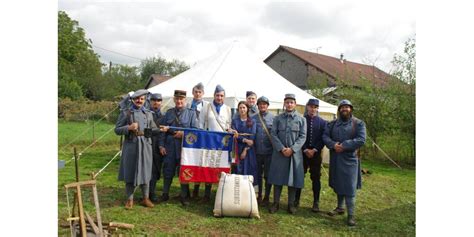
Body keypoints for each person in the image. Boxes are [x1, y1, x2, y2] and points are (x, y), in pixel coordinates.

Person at [322, 99, 366, 226]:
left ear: (351, 109)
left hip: (350, 160)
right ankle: (340, 207)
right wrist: (333, 145)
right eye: (342, 107)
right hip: (335, 159)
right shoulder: (332, 124)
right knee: (337, 184)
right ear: (339, 109)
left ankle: (351, 216)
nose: (344, 109)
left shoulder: (358, 123)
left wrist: (344, 145)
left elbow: (361, 139)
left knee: (350, 188)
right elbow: (325, 136)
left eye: (347, 107)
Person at [114, 89, 160, 209]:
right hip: (131, 145)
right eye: (137, 99)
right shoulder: (126, 113)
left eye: (142, 99)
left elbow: (153, 130)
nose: (139, 101)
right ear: (133, 100)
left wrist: (161, 129)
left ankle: (145, 198)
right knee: (130, 171)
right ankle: (130, 200)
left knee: (146, 171)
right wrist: (128, 127)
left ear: (145, 100)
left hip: (146, 145)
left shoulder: (149, 114)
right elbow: (117, 130)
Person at [157, 90, 198, 206]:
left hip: (184, 147)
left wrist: (183, 134)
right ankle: (165, 194)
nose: (179, 101)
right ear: (174, 100)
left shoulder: (191, 113)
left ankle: (184, 196)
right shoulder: (169, 113)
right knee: (167, 170)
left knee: (183, 170)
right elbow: (162, 131)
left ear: (185, 100)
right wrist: (161, 145)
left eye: (181, 99)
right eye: (177, 99)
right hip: (169, 145)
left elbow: (195, 131)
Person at [267, 94, 306, 214]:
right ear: (284, 104)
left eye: (291, 102)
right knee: (277, 179)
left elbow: (302, 136)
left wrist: (292, 149)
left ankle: (291, 204)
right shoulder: (277, 118)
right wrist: (282, 148)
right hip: (279, 154)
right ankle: (276, 203)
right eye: (287, 102)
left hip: (294, 155)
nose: (289, 104)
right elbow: (273, 134)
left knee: (292, 180)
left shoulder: (301, 119)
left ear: (295, 104)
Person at [198, 84, 232, 202]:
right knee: (209, 165)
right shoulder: (207, 107)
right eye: (217, 95)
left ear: (224, 96)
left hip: (223, 144)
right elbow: (201, 124)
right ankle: (207, 194)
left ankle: (220, 192)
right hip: (209, 142)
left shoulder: (227, 109)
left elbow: (229, 126)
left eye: (221, 95)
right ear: (214, 95)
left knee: (221, 166)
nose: (219, 98)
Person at [294, 99, 327, 212]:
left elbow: (323, 138)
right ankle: (296, 200)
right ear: (307, 107)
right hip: (302, 153)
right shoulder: (301, 120)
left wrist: (315, 149)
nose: (313, 109)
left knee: (316, 178)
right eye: (311, 107)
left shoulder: (322, 122)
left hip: (316, 154)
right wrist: (304, 149)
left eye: (315, 107)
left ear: (317, 108)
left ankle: (316, 202)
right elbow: (298, 136)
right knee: (299, 176)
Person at [187, 82, 210, 199]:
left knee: (204, 162)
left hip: (202, 136)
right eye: (196, 92)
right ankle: (194, 189)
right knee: (194, 162)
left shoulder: (208, 105)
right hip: (190, 137)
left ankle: (205, 191)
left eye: (200, 92)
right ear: (193, 93)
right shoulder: (188, 104)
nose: (197, 94)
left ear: (203, 93)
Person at [252, 96, 274, 206]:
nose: (262, 106)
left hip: (269, 152)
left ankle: (267, 196)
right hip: (256, 152)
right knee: (258, 174)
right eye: (260, 104)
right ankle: (259, 195)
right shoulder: (253, 118)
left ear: (267, 106)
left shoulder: (274, 118)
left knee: (268, 175)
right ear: (258, 105)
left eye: (264, 104)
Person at [230, 101, 258, 185]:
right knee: (238, 169)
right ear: (238, 109)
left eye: (244, 107)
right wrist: (244, 140)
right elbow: (235, 135)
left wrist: (245, 149)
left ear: (247, 109)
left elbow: (252, 137)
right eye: (240, 108)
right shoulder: (235, 121)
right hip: (237, 148)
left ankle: (248, 189)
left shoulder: (252, 121)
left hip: (249, 150)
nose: (242, 110)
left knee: (249, 169)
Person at [148, 93, 164, 203]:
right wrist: (158, 130)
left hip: (158, 146)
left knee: (156, 170)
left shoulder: (164, 116)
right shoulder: (146, 114)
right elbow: (144, 131)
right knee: (147, 169)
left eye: (158, 100)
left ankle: (151, 191)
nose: (156, 102)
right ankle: (148, 193)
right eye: (153, 100)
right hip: (147, 144)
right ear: (150, 101)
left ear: (161, 102)